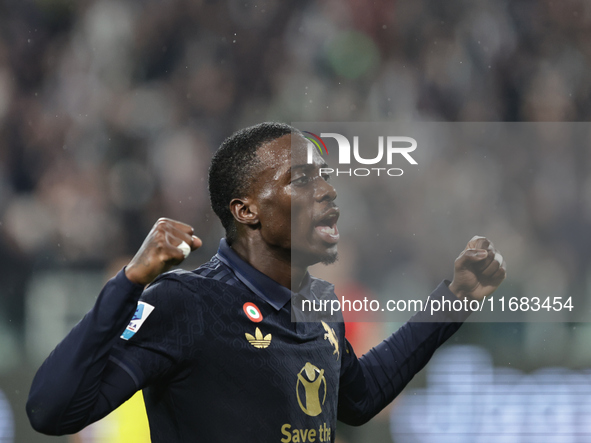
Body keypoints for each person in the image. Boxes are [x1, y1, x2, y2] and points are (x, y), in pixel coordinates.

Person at [27, 122, 506, 442]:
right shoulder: (186, 304)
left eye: (325, 177)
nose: (327, 190)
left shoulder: (320, 302)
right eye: (301, 178)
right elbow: (52, 411)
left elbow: (358, 400)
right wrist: (129, 283)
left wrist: (455, 300)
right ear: (246, 210)